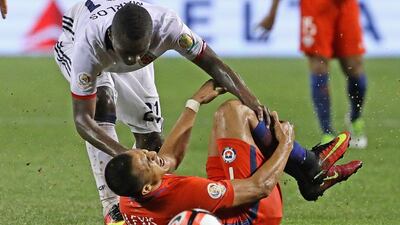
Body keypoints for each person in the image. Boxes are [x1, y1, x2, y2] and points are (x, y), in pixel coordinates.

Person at [54, 1, 269, 223]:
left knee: (153, 143)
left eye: (139, 54)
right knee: (103, 99)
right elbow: (83, 120)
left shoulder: (168, 26)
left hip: (127, 43)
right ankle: (113, 208)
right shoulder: (87, 46)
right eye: (126, 54)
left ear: (151, 38)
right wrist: (125, 154)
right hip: (79, 42)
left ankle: (140, 211)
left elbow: (213, 64)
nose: (132, 61)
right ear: (112, 36)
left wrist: (250, 98)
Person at [105, 80, 362, 225]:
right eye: (148, 162)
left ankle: (311, 171)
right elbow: (259, 187)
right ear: (148, 189)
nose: (152, 154)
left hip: (223, 206)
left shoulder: (130, 200)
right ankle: (310, 166)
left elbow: (169, 159)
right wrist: (285, 143)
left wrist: (193, 103)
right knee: (234, 112)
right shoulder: (185, 193)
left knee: (227, 114)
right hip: (252, 215)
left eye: (143, 153)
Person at [258, 0, 368, 148]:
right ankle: (328, 133)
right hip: (314, 6)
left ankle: (355, 117)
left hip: (345, 5)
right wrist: (272, 13)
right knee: (318, 66)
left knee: (354, 68)